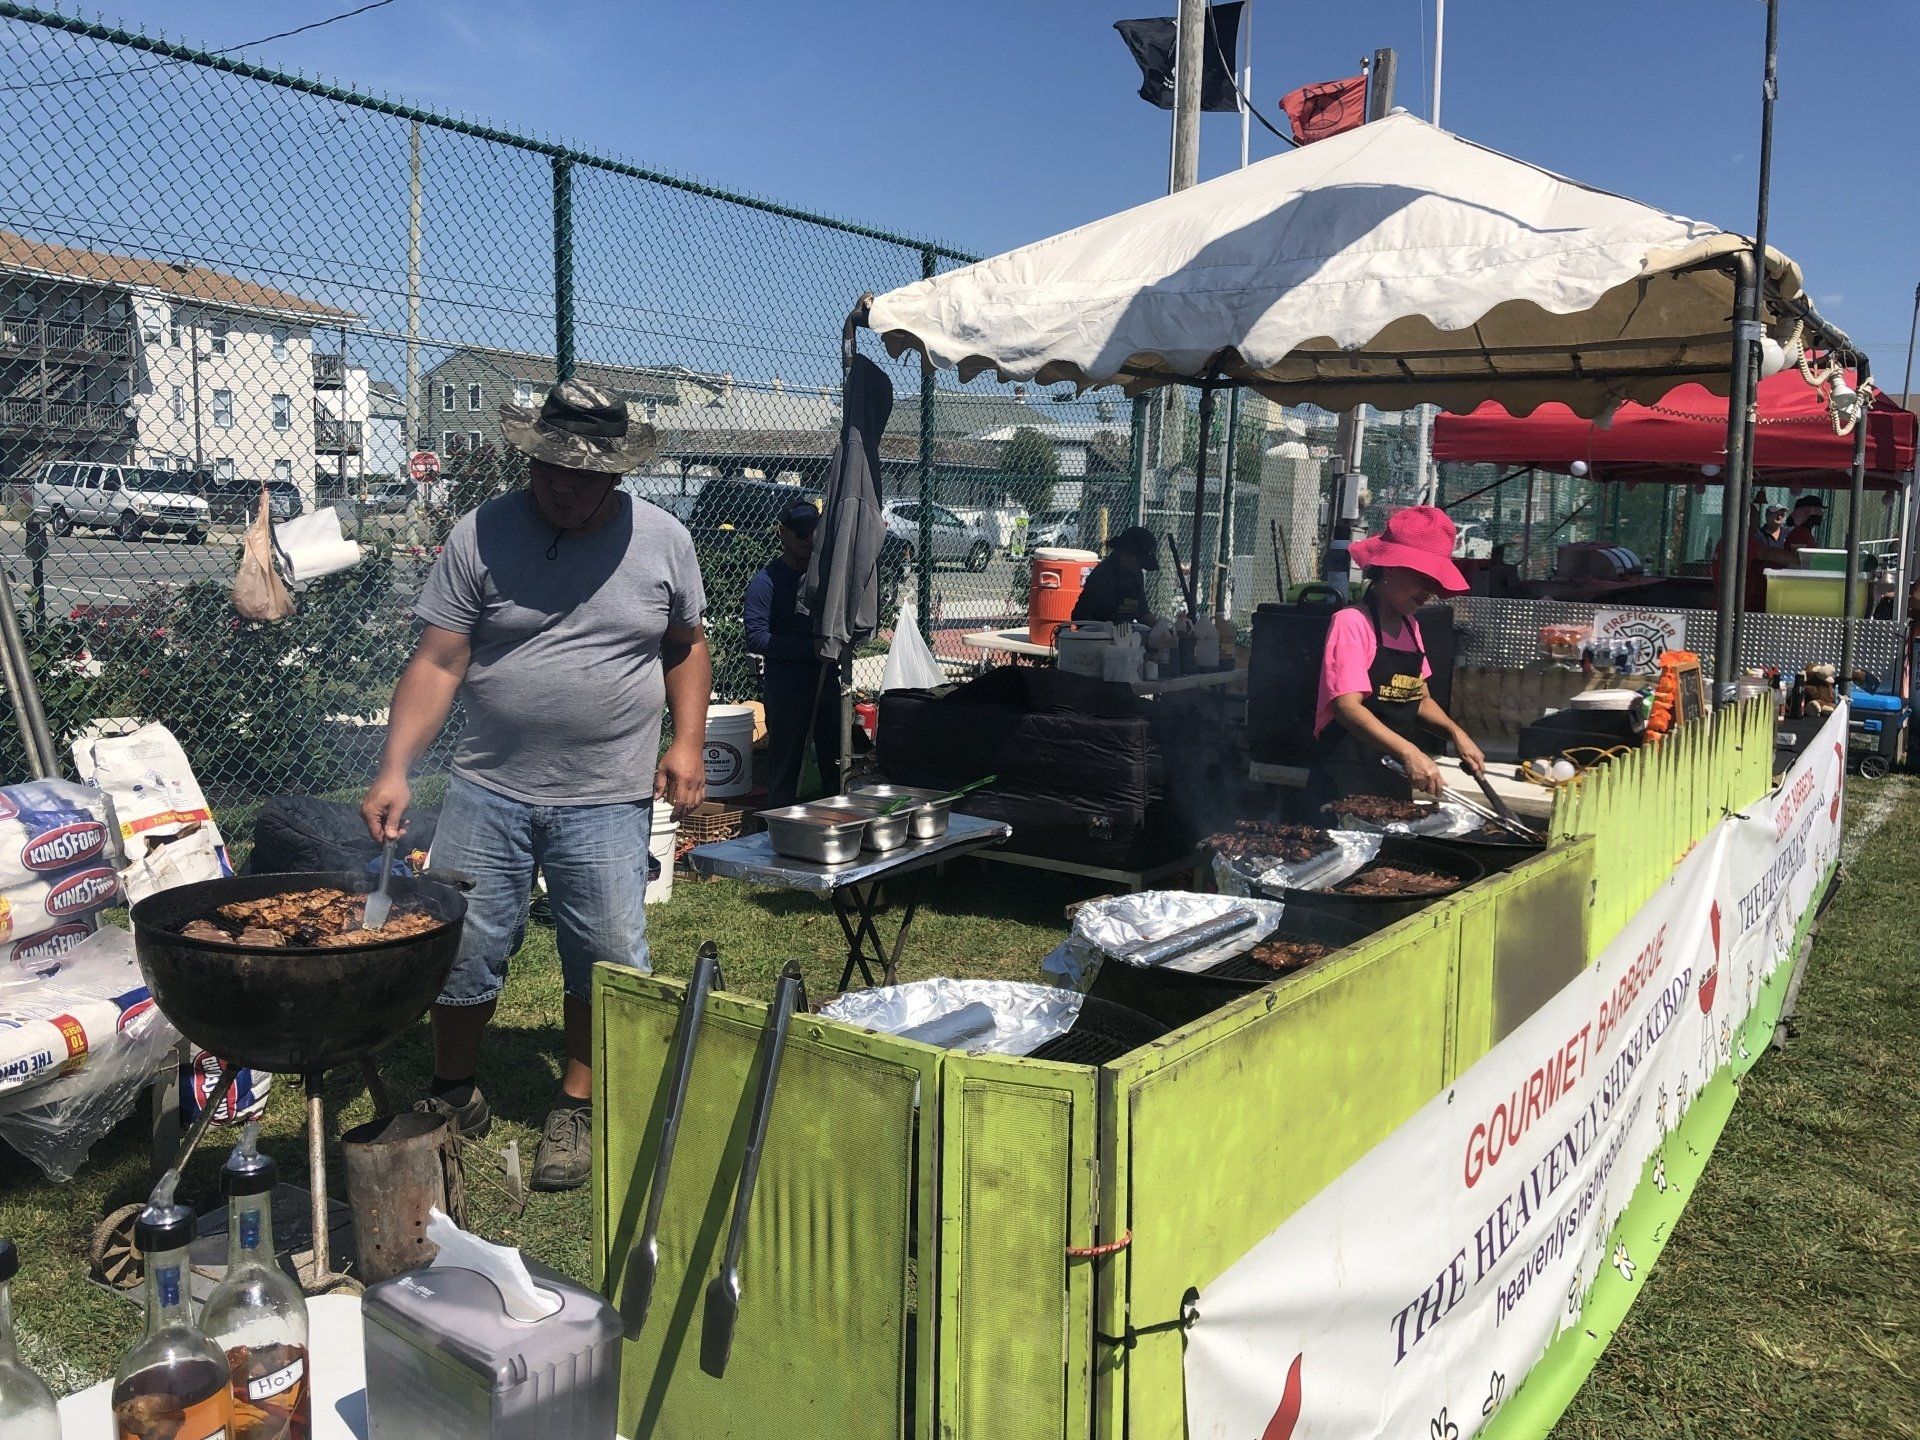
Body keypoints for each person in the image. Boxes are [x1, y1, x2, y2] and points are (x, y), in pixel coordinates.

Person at [360, 379, 711, 1192]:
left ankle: (576, 1105)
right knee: (465, 946)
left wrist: (687, 741)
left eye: (585, 473)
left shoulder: (663, 540)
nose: (563, 484)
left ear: (618, 473)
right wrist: (394, 767)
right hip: (489, 786)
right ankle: (454, 1089)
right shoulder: (479, 533)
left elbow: (686, 647)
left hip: (608, 791)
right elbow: (439, 659)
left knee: (607, 953)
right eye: (551, 466)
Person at [1311, 505, 1484, 802]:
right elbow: (1347, 707)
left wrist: (1456, 733)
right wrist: (1409, 750)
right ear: (1389, 567)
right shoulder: (1352, 622)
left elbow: (1420, 698)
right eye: (1423, 577)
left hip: (1393, 776)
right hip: (1345, 777)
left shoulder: (1411, 626)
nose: (1430, 589)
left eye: (1434, 581)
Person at [745, 498, 839, 809]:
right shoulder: (766, 582)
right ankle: (780, 830)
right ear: (782, 533)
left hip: (826, 682)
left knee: (835, 763)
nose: (808, 539)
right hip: (786, 687)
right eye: (800, 533)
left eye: (814, 532)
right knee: (786, 765)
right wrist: (809, 649)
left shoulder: (828, 579)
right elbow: (757, 638)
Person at [1072, 524, 1161, 627]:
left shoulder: (1135, 575)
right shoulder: (1103, 575)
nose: (1141, 568)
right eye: (1140, 563)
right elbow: (1080, 616)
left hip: (1125, 637)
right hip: (1100, 637)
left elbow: (1142, 612)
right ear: (1126, 554)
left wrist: (1161, 628)